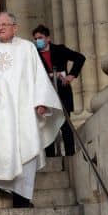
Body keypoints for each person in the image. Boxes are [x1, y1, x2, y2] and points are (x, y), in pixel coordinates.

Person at [0, 12, 65, 208]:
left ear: (15, 27)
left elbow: (39, 76)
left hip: (21, 111)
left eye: (5, 24)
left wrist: (41, 102)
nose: (1, 27)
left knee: (25, 149)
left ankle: (21, 199)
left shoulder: (27, 48)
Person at [31, 24, 85, 157]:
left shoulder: (59, 49)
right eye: (36, 39)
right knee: (48, 125)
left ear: (48, 38)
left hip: (62, 92)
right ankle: (50, 158)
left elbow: (80, 58)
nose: (38, 41)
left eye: (41, 38)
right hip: (45, 95)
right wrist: (50, 75)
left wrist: (71, 75)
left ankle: (70, 155)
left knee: (65, 124)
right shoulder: (33, 55)